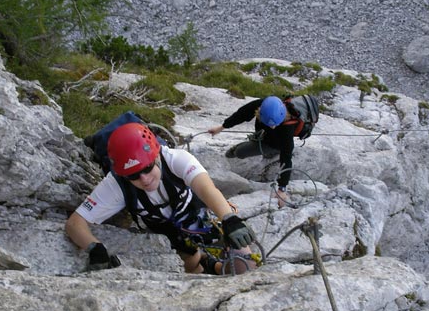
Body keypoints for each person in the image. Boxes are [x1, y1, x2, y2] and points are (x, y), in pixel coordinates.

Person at [66, 122, 257, 274]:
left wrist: (229, 218)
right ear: (123, 174)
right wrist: (95, 247)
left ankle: (213, 266)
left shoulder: (177, 159)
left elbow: (206, 188)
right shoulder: (116, 183)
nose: (144, 179)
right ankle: (204, 266)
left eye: (147, 169)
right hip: (167, 233)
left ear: (157, 156)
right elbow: (75, 223)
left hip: (198, 217)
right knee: (191, 265)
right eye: (133, 176)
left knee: (245, 268)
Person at [208, 95, 298, 208]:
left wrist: (282, 189)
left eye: (276, 124)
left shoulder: (287, 130)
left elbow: (286, 159)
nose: (273, 127)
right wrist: (222, 127)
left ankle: (272, 151)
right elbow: (241, 114)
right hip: (264, 134)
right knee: (239, 152)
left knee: (241, 152)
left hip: (276, 143)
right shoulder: (262, 105)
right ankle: (256, 142)